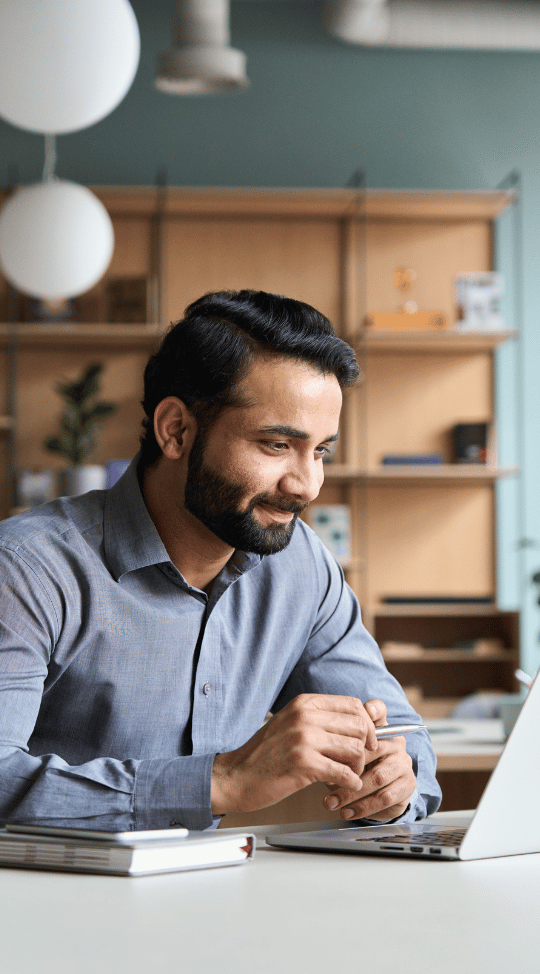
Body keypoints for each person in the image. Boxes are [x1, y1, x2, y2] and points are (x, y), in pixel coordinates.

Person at [0, 290, 441, 831]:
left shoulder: (302, 567)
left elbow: (402, 738)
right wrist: (225, 782)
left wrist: (393, 785)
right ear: (176, 430)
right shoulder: (26, 569)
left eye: (321, 450)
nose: (306, 486)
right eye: (277, 445)